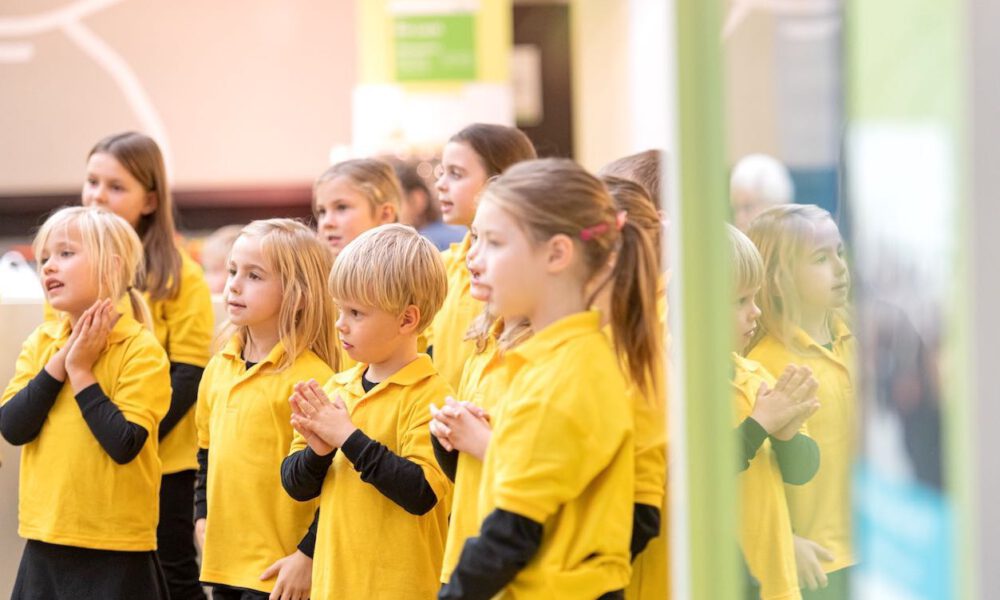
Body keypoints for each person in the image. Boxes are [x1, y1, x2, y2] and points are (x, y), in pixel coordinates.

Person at [1, 206, 171, 598]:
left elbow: (124, 444)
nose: (48, 267)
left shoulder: (140, 349)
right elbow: (12, 426)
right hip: (46, 539)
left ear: (110, 268)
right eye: (44, 258)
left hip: (116, 549)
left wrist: (81, 373)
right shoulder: (42, 342)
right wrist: (62, 361)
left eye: (65, 253)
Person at [281, 224, 452, 598]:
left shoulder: (433, 395)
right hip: (333, 587)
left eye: (356, 312)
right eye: (340, 309)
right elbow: (296, 485)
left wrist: (347, 438)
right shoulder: (336, 388)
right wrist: (318, 453)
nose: (340, 323)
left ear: (407, 320)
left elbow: (421, 493)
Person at [194, 219, 338, 599]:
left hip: (280, 572)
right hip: (224, 566)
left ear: (300, 293)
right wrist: (201, 516)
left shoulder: (313, 378)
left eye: (254, 276)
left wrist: (307, 555)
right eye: (231, 271)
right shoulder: (219, 367)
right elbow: (207, 454)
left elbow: (338, 483)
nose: (234, 285)